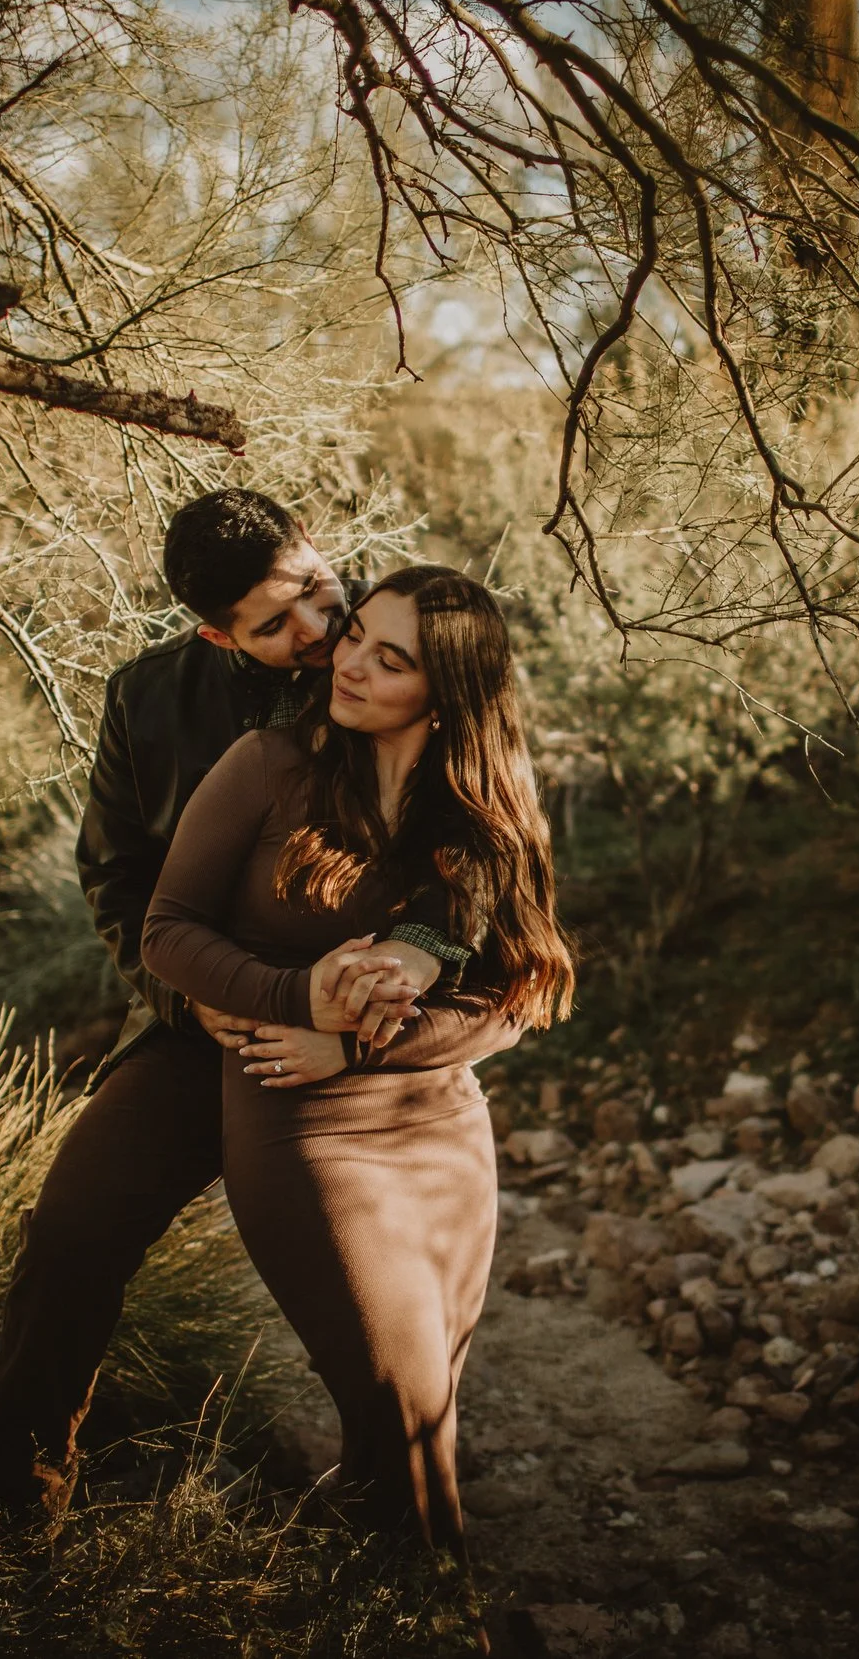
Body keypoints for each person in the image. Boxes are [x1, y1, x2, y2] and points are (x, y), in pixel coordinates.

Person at [0, 491, 465, 1516]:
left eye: (317, 590)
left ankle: (397, 1526)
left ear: (319, 545)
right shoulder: (148, 698)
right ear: (216, 634)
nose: (318, 632)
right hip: (205, 1024)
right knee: (71, 1229)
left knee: (379, 1317)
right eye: (274, 625)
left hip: (368, 1037)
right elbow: (116, 880)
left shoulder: (391, 650)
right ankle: (13, 1499)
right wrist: (189, 1004)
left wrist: (404, 974)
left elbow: (469, 846)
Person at [141, 565, 574, 1550]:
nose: (349, 663)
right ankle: (434, 1601)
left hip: (436, 1126)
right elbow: (167, 931)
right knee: (401, 1392)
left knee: (425, 1406)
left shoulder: (481, 808)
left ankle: (370, 1595)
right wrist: (298, 998)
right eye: (355, 636)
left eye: (391, 658)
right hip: (299, 1122)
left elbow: (510, 1002)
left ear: (445, 693)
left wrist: (354, 1044)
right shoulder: (268, 764)